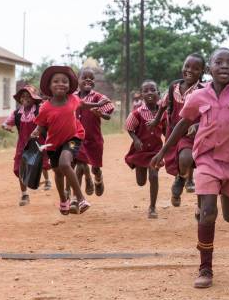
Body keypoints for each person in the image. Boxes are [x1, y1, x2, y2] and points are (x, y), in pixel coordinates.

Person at [150, 47, 229, 289]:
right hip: (207, 159)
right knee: (208, 212)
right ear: (209, 69)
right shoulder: (198, 96)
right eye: (219, 62)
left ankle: (216, 198)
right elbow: (182, 124)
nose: (224, 66)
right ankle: (205, 267)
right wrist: (163, 152)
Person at [30, 65, 109, 215]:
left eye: (65, 81)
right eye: (56, 81)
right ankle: (63, 199)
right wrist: (35, 131)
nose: (61, 83)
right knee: (58, 173)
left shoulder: (73, 99)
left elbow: (84, 105)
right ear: (49, 87)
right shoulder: (45, 107)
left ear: (69, 86)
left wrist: (98, 104)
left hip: (73, 138)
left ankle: (80, 198)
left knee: (65, 164)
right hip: (53, 144)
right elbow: (40, 124)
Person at [148, 53, 206, 206]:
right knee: (176, 162)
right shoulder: (174, 87)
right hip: (173, 131)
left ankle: (183, 178)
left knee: (186, 159)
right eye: (186, 66)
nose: (189, 70)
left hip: (191, 135)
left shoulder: (203, 91)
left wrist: (198, 125)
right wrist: (155, 120)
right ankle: (182, 176)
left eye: (195, 68)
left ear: (202, 72)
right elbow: (162, 105)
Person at [1, 85, 51, 206]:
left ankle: (50, 181)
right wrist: (6, 127)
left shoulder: (41, 109)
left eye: (29, 96)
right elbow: (6, 123)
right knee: (19, 168)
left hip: (39, 144)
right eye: (23, 96)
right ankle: (24, 194)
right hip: (22, 145)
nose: (25, 98)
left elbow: (50, 120)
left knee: (44, 165)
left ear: (34, 98)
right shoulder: (17, 113)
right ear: (20, 99)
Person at [124, 80, 165, 218]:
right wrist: (135, 139)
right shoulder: (137, 113)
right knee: (141, 182)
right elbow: (129, 128)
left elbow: (166, 130)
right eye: (146, 91)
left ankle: (152, 207)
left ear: (158, 93)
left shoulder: (162, 112)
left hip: (156, 151)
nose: (149, 93)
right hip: (140, 151)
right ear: (141, 95)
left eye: (152, 90)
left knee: (153, 175)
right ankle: (139, 168)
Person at [74, 69, 115, 197]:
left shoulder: (98, 97)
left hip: (94, 139)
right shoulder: (72, 97)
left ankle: (98, 179)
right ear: (77, 80)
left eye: (91, 78)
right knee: (80, 165)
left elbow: (108, 115)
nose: (88, 80)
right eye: (84, 77)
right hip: (77, 138)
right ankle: (76, 198)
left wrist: (101, 114)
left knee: (95, 168)